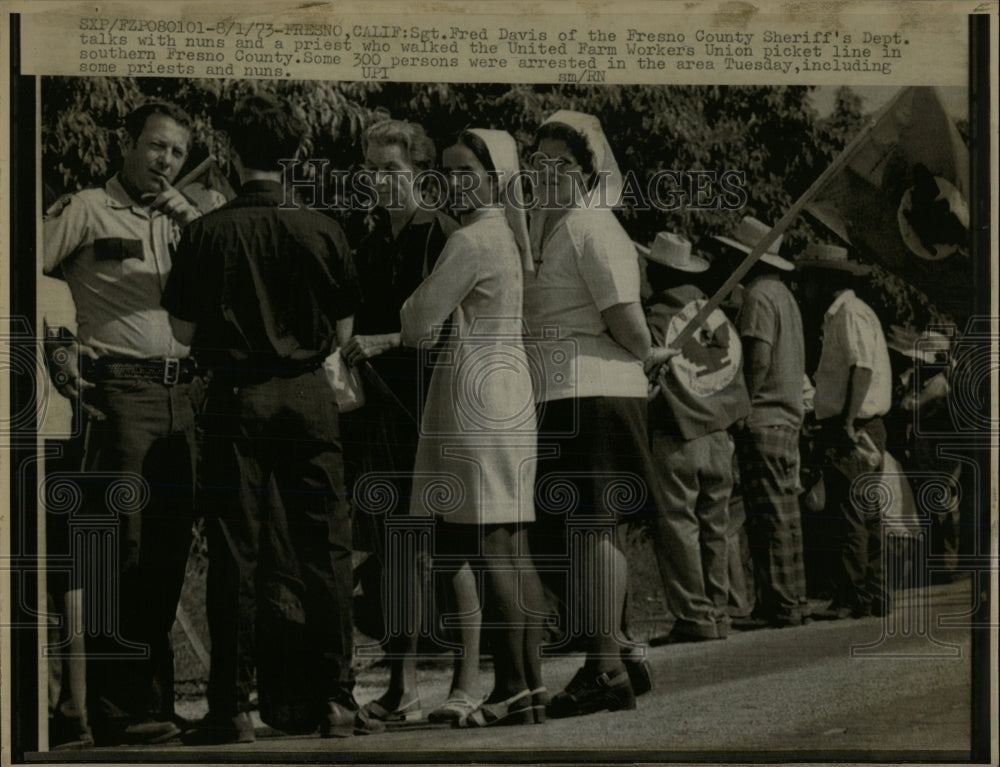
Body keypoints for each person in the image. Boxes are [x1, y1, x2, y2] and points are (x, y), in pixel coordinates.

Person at [161, 95, 382, 739]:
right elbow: (344, 330)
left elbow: (180, 330)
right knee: (327, 548)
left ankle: (232, 706)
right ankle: (337, 699)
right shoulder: (322, 228)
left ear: (230, 153)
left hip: (236, 398)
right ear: (297, 158)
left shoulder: (205, 232)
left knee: (236, 550)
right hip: (310, 396)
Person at [42, 101, 218, 746]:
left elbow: (225, 289)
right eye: (154, 146)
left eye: (175, 151)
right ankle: (118, 711)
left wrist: (195, 226)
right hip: (119, 395)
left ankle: (156, 705)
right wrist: (57, 338)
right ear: (128, 144)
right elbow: (16, 273)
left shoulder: (187, 220)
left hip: (185, 397)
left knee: (168, 555)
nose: (164, 160)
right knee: (124, 548)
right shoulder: (85, 208)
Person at [399, 128, 546, 728]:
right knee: (508, 545)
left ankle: (511, 684)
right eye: (450, 172)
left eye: (468, 172)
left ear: (495, 179)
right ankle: (527, 687)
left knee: (487, 545)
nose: (457, 183)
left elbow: (414, 323)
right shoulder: (506, 238)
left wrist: (420, 306)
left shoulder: (469, 239)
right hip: (509, 398)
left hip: (474, 404)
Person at [523, 110, 660, 718]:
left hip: (597, 387)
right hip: (564, 390)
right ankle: (621, 650)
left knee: (596, 528)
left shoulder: (592, 227)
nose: (548, 173)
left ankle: (604, 666)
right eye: (539, 162)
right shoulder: (547, 224)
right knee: (582, 530)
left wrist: (651, 352)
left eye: (562, 166)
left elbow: (625, 319)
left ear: (587, 173)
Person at [339, 119, 460, 724]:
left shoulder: (440, 234)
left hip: (434, 409)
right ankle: (404, 686)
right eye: (372, 170)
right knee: (395, 552)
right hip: (380, 416)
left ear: (419, 173)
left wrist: (384, 340)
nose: (380, 181)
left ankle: (469, 684)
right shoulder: (369, 240)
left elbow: (454, 324)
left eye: (392, 170)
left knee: (457, 547)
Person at [642, 232, 751, 642]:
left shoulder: (653, 317)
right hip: (720, 434)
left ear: (656, 272)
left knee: (679, 525)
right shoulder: (714, 313)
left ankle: (693, 614)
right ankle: (718, 610)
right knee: (715, 523)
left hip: (678, 432)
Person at [718, 216, 812, 628]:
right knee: (786, 515)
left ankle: (778, 603)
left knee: (767, 516)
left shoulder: (758, 296)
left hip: (765, 416)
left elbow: (758, 356)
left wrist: (742, 404)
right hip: (788, 416)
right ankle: (793, 597)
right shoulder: (785, 296)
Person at [798, 244, 893, 620]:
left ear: (824, 280)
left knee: (850, 512)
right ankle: (874, 593)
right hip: (866, 422)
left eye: (808, 278)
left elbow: (863, 368)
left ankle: (854, 595)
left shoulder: (848, 315)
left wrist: (848, 421)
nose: (804, 287)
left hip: (853, 424)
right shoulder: (853, 312)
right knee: (866, 511)